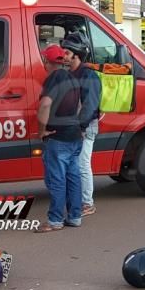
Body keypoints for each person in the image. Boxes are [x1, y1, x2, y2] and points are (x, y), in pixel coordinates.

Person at [34, 36, 99, 232]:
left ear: (47, 61)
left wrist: (41, 130)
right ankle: (75, 216)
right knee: (73, 176)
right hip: (74, 136)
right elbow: (80, 105)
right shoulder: (73, 77)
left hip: (58, 137)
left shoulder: (54, 78)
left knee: (57, 180)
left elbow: (45, 104)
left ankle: (54, 220)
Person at [61, 35, 102, 217]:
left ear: (76, 55)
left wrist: (82, 128)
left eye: (67, 53)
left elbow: (90, 105)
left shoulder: (89, 76)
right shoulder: (70, 75)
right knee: (75, 165)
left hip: (85, 127)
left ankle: (87, 203)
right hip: (74, 126)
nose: (64, 56)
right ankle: (79, 201)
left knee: (83, 164)